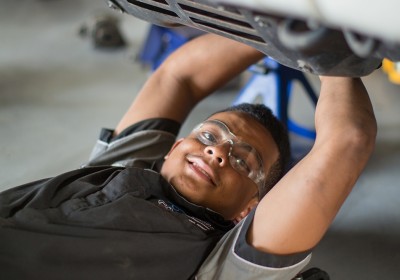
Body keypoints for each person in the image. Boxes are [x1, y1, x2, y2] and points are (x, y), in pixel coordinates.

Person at [0, 33, 377, 279]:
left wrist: (328, 51)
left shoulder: (223, 263)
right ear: (174, 148)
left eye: (243, 162)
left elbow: (349, 140)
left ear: (248, 209)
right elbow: (178, 77)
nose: (217, 152)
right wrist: (276, 29)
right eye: (210, 136)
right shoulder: (123, 163)